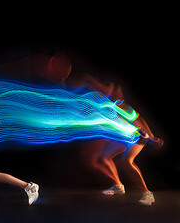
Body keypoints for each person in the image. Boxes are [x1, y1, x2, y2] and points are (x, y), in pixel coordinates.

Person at [67, 74, 163, 206]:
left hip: (138, 136)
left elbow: (138, 119)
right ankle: (118, 186)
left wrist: (150, 136)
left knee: (127, 162)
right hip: (126, 137)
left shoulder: (119, 103)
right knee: (104, 158)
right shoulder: (105, 104)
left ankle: (147, 194)